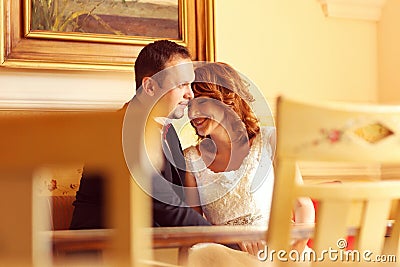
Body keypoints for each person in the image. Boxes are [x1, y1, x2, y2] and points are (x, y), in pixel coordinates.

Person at [182, 62, 315, 265]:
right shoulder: (191, 159)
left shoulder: (270, 140)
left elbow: (301, 204)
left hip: (279, 249)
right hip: (224, 254)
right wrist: (232, 238)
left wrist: (295, 248)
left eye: (201, 103)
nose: (193, 114)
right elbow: (194, 227)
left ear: (226, 100)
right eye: (190, 106)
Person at [70, 40, 211, 229]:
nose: (190, 94)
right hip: (103, 251)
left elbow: (179, 202)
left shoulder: (168, 131)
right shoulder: (122, 129)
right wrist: (229, 240)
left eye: (190, 84)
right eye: (181, 85)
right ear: (150, 87)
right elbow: (168, 209)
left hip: (154, 248)